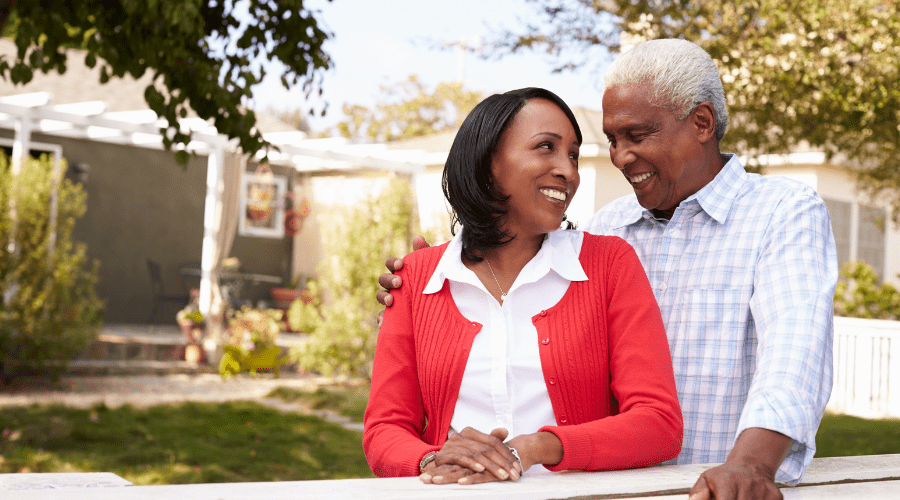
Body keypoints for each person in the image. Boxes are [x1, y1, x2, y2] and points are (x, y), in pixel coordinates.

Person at [377, 39, 837, 500]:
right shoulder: (607, 228)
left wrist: (750, 464)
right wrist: (426, 277)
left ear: (701, 122)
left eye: (637, 136)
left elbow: (794, 356)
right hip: (622, 487)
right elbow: (511, 250)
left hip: (730, 486)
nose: (618, 157)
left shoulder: (782, 212)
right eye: (613, 140)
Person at [364, 87, 683, 485]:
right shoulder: (415, 278)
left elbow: (658, 425)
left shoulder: (610, 265)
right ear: (488, 163)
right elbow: (383, 430)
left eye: (573, 155)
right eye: (545, 147)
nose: (568, 171)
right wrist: (433, 460)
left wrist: (531, 449)